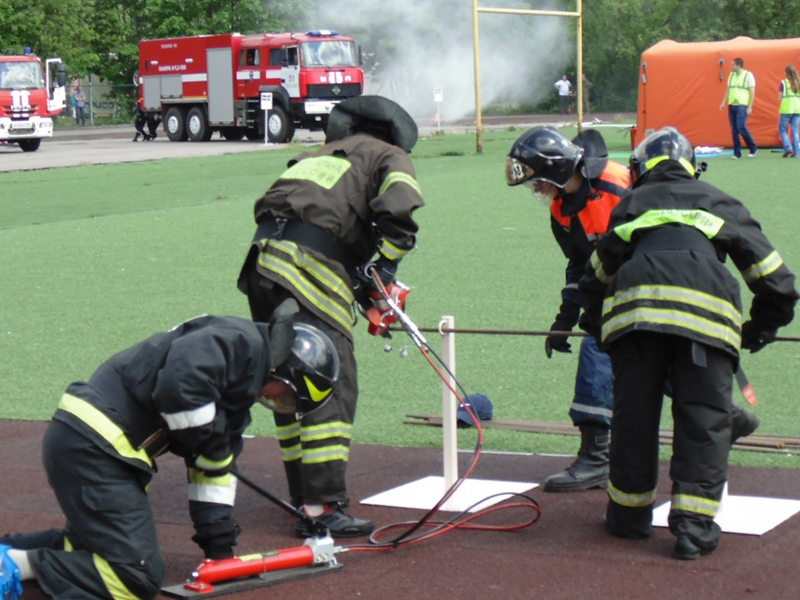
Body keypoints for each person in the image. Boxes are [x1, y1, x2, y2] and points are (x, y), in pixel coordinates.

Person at [0, 314, 340, 599]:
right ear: (288, 373)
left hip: (89, 441)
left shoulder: (240, 387)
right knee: (134, 577)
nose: (277, 404)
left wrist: (219, 553)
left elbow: (213, 472)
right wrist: (212, 445)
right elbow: (179, 386)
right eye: (286, 398)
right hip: (97, 445)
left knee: (87, 548)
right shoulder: (240, 343)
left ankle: (9, 555)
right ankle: (14, 566)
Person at [579, 127, 798, 560]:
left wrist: (596, 324)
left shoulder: (631, 203)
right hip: (708, 320)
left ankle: (628, 518)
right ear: (691, 166)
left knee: (634, 419)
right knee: (704, 422)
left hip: (636, 320)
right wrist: (758, 329)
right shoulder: (721, 201)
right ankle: (693, 531)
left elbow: (597, 277)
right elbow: (777, 282)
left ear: (641, 170)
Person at [237, 95, 425, 538]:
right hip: (309, 270)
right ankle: (322, 509)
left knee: (285, 380)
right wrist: (388, 266)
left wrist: (362, 283)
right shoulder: (388, 155)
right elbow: (399, 209)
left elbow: (321, 219)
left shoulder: (312, 156)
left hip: (262, 266)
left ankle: (302, 497)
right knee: (328, 380)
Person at [505, 125, 630, 492]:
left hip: (651, 283)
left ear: (558, 171)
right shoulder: (562, 210)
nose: (537, 189)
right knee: (642, 359)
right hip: (611, 290)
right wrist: (566, 317)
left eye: (539, 180)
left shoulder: (618, 186)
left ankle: (597, 459)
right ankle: (721, 416)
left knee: (603, 352)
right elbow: (580, 266)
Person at [719, 57, 757, 159]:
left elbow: (752, 92)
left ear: (738, 65)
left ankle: (752, 147)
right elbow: (728, 90)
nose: (731, 66)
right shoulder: (731, 75)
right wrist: (723, 102)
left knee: (741, 127)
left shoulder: (748, 75)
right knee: (734, 129)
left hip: (742, 105)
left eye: (732, 64)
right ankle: (737, 153)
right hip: (732, 104)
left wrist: (750, 106)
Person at [778, 64, 800, 158]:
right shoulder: (798, 82)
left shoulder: (783, 83)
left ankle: (788, 147)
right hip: (797, 109)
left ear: (786, 73)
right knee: (795, 131)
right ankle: (796, 152)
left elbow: (780, 97)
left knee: (782, 129)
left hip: (786, 109)